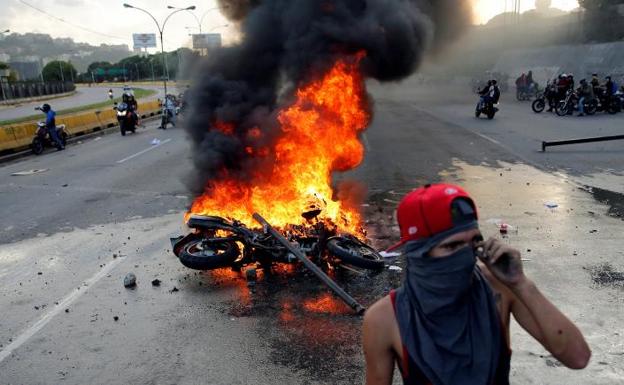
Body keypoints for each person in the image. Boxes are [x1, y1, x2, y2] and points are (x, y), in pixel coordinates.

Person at [362, 184, 591, 385]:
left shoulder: (498, 288)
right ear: (418, 253)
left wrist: (521, 284)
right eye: (452, 247)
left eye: (474, 242)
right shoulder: (385, 318)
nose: (465, 256)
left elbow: (577, 357)